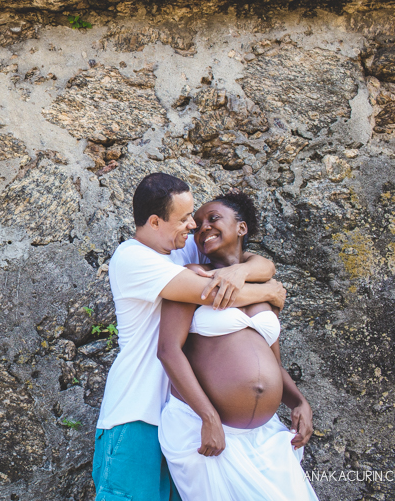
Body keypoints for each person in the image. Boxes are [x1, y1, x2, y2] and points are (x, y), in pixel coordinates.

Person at [93, 173, 286, 501]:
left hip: (179, 422)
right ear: (155, 222)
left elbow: (258, 264)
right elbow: (214, 294)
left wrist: (241, 272)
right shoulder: (132, 258)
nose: (192, 226)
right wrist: (268, 291)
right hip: (136, 414)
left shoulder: (180, 253)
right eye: (183, 219)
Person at [157, 192, 318, 501]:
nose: (203, 228)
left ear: (242, 228)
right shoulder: (193, 277)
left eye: (213, 219)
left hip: (265, 436)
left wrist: (299, 402)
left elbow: (273, 363)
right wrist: (209, 418)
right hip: (206, 431)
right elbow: (168, 350)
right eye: (198, 225)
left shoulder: (265, 290)